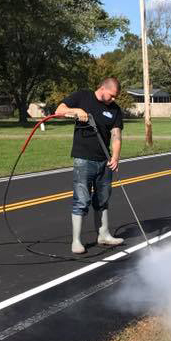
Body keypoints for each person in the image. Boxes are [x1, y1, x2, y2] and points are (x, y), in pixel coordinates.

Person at [55, 77, 124, 254]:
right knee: (82, 199)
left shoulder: (115, 109)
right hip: (84, 159)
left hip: (104, 160)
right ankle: (76, 241)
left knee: (102, 199)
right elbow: (59, 111)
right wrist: (77, 111)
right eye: (112, 95)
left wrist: (115, 157)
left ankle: (104, 235)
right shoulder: (83, 97)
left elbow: (116, 135)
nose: (113, 99)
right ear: (102, 88)